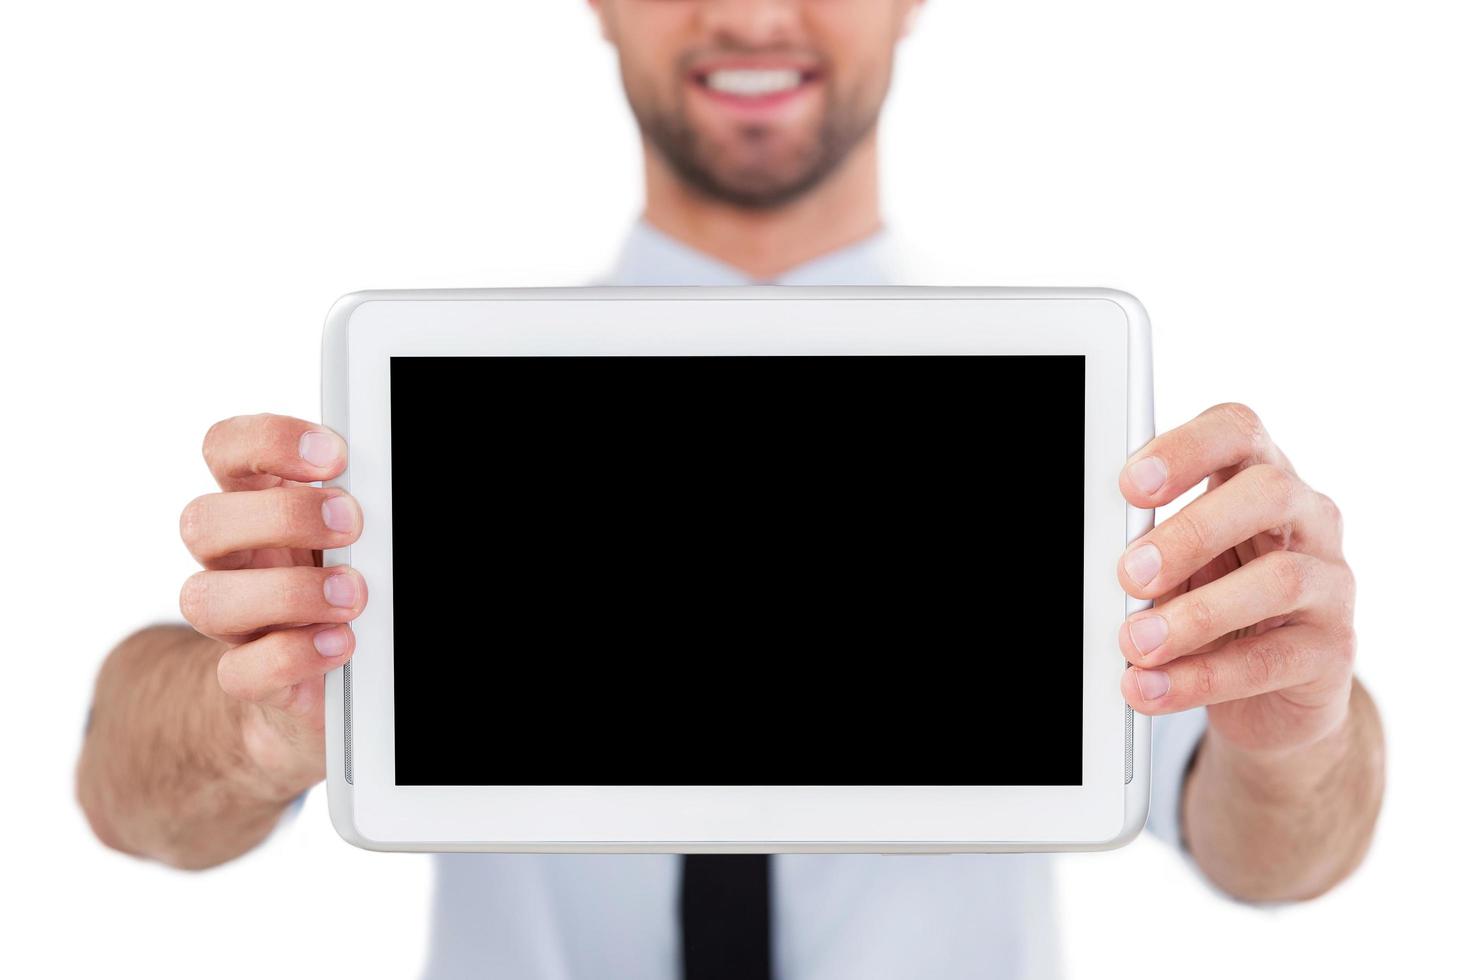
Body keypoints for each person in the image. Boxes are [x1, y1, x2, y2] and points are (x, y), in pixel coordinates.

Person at [76, 1, 1385, 977]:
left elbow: (1272, 848)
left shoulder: (1070, 442)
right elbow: (125, 798)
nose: (753, 12)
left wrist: (1292, 742)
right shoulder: (434, 422)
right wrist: (242, 724)